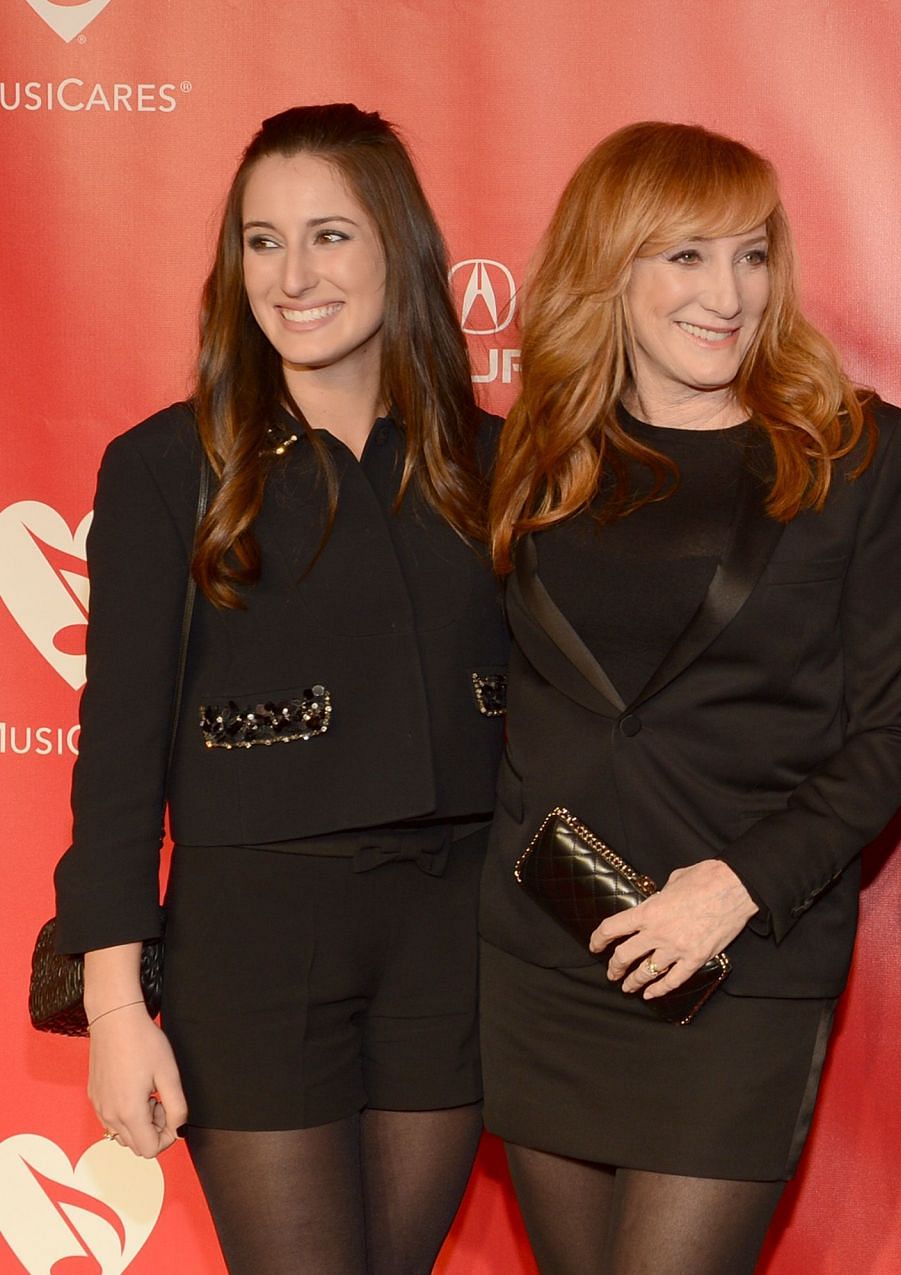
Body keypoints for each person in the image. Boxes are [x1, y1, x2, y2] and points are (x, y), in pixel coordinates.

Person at [53, 104, 506, 1274]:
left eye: (330, 237)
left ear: (397, 251)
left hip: (449, 943)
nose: (292, 276)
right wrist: (114, 1010)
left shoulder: (496, 459)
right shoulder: (166, 466)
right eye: (263, 241)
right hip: (255, 947)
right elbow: (117, 762)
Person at [479, 121, 901, 1275]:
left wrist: (736, 890)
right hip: (546, 962)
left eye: (752, 253)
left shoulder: (852, 458)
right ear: (609, 269)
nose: (728, 293)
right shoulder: (538, 456)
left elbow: (893, 733)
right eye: (684, 256)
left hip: (738, 968)